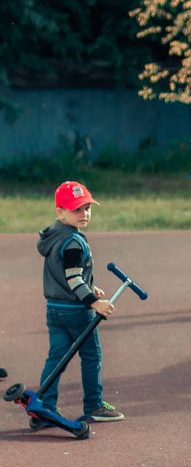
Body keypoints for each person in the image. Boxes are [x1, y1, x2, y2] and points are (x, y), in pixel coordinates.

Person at [32, 181, 123, 428]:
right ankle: (93, 405)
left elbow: (64, 274)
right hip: (75, 311)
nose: (84, 215)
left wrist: (89, 286)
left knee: (57, 358)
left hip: (54, 308)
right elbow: (73, 278)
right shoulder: (73, 241)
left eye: (86, 208)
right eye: (76, 210)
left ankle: (44, 407)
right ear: (60, 211)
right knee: (91, 356)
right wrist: (94, 302)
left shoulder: (53, 235)